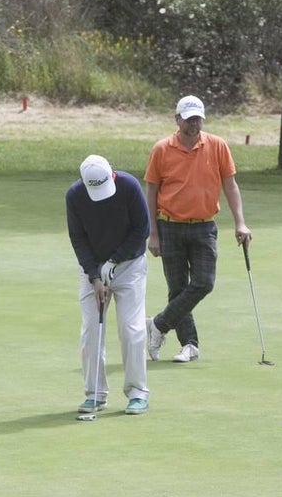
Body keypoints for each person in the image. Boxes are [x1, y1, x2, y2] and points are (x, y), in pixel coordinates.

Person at [144, 95, 252, 363]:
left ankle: (157, 324)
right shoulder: (161, 149)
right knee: (177, 288)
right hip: (169, 226)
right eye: (189, 118)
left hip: (204, 227)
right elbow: (151, 191)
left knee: (204, 282)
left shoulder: (217, 145)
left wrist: (240, 221)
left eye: (198, 118)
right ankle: (189, 345)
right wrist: (153, 233)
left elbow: (230, 185)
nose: (194, 123)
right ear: (177, 119)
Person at [66, 154, 151, 415]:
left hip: (129, 266)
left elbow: (142, 230)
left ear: (112, 175)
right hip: (92, 269)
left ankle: (137, 393)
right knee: (91, 330)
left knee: (131, 328)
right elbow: (78, 239)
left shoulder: (129, 186)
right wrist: (94, 277)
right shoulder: (75, 196)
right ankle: (95, 393)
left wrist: (115, 261)